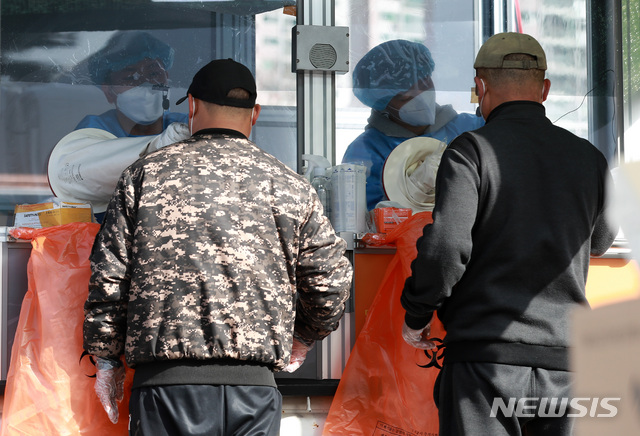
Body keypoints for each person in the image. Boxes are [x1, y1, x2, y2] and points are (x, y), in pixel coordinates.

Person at [82, 58, 353, 436]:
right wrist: (303, 336)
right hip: (254, 390)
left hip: (165, 387)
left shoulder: (144, 175)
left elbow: (108, 279)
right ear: (255, 113)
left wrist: (107, 358)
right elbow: (330, 281)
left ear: (191, 106)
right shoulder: (290, 185)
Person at [400, 32, 616, 436]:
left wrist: (417, 313)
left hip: (487, 365)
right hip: (567, 367)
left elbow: (446, 247)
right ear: (545, 89)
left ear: (480, 87)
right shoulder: (588, 157)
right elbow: (601, 239)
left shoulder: (472, 150)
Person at [47, 31, 190, 221]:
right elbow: (78, 171)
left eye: (154, 73)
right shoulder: (93, 132)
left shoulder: (183, 125)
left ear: (167, 77)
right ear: (109, 92)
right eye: (130, 78)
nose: (146, 84)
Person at [342, 39, 485, 209]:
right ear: (384, 104)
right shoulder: (365, 153)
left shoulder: (472, 128)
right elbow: (363, 220)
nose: (421, 97)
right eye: (406, 96)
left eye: (425, 83)